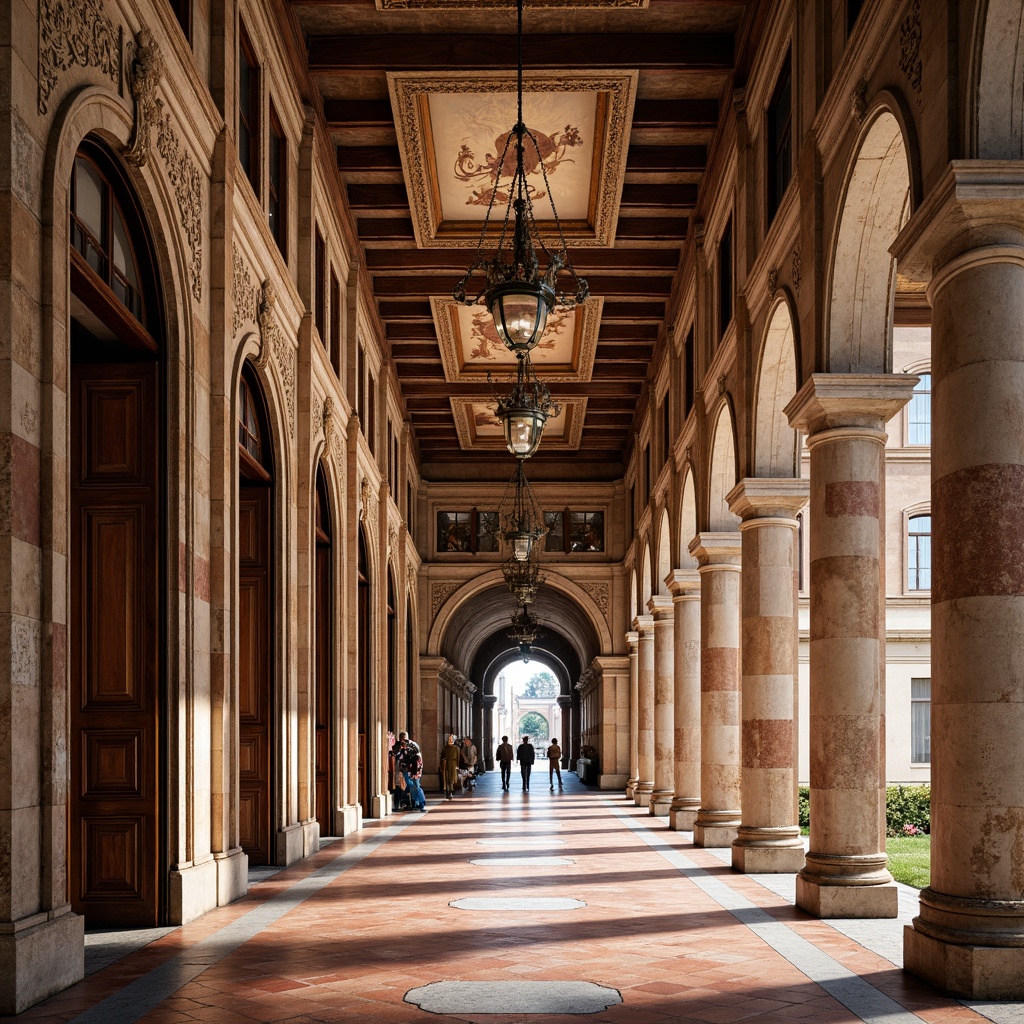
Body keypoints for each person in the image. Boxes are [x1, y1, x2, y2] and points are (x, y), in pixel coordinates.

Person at [395, 731, 426, 811]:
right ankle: (414, 803)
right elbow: (396, 755)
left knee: (416, 786)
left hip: (415, 769)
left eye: (405, 738)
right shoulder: (399, 747)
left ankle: (421, 803)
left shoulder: (412, 745)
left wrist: (408, 744)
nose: (403, 740)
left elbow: (417, 754)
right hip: (406, 769)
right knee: (411, 786)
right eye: (402, 739)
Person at [439, 733, 461, 800]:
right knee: (447, 779)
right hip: (446, 765)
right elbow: (442, 757)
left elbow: (458, 758)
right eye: (449, 739)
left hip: (453, 765)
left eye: (451, 739)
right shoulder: (445, 748)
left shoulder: (456, 748)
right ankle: (448, 792)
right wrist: (443, 762)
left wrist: (458, 765)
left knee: (452, 779)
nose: (450, 741)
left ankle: (451, 791)